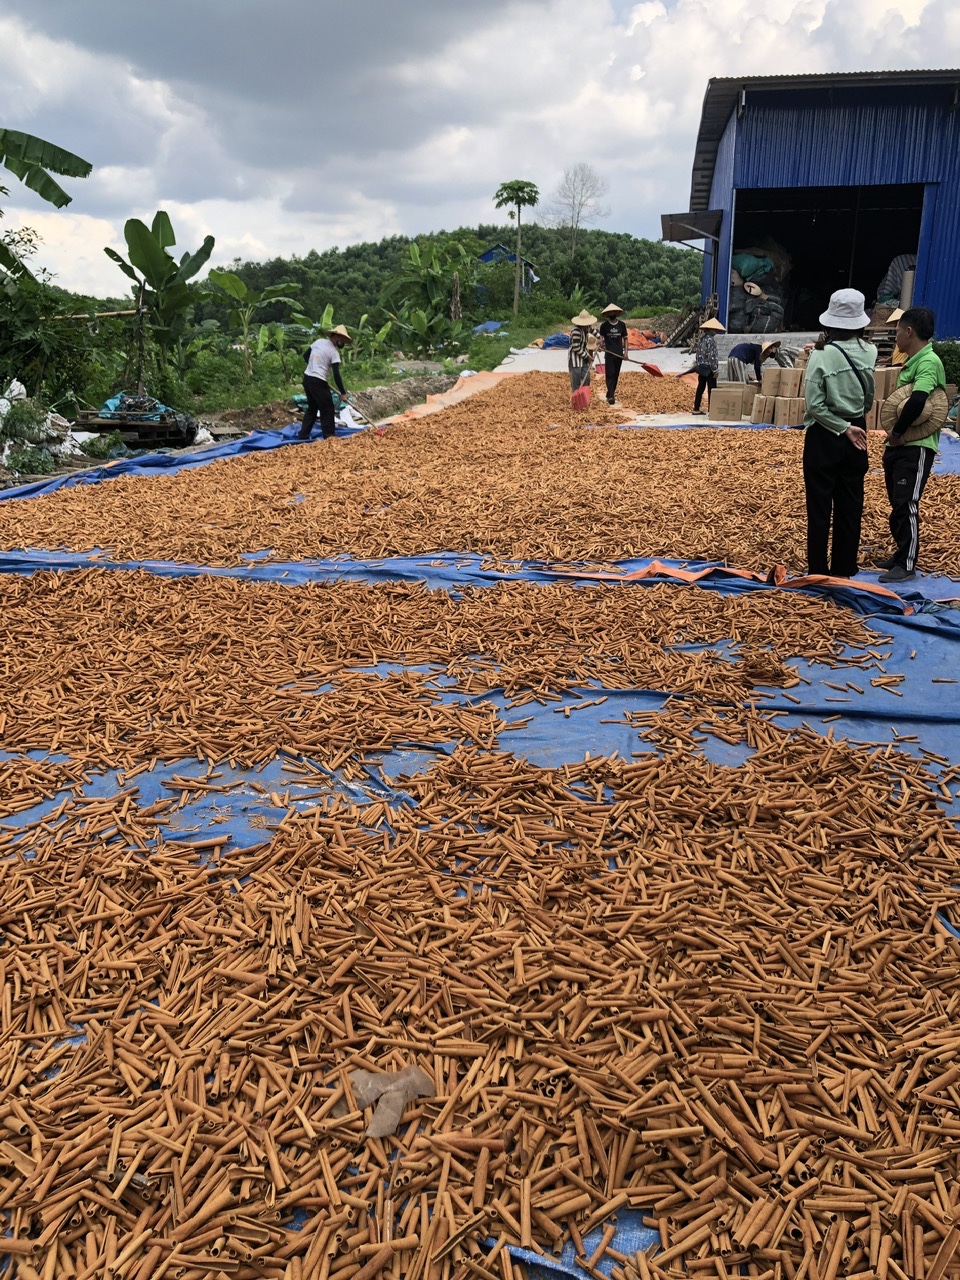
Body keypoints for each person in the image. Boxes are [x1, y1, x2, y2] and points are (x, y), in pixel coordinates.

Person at [801, 289, 877, 578]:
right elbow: (869, 397)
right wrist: (853, 422)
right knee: (851, 503)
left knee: (820, 506)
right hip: (859, 430)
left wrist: (841, 428)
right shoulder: (870, 352)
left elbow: (814, 404)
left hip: (824, 436)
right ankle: (845, 567)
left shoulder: (821, 355)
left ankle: (818, 568)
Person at [875, 306, 947, 583]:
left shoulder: (928, 361)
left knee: (907, 504)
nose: (895, 336)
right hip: (900, 446)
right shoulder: (914, 360)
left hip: (915, 445)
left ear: (909, 331)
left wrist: (898, 433)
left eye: (896, 331)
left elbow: (918, 400)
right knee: (897, 502)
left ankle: (906, 563)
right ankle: (899, 554)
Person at [298, 324, 352, 440]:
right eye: (342, 339)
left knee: (312, 408)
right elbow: (336, 375)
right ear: (337, 337)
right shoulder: (333, 353)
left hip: (307, 378)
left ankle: (303, 435)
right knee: (327, 408)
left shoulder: (318, 342)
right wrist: (343, 393)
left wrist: (314, 367)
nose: (342, 342)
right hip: (317, 381)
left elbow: (305, 356)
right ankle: (329, 436)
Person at [691, 317, 724, 414]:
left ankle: (696, 409)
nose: (716, 332)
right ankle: (712, 410)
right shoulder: (711, 341)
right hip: (709, 368)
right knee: (712, 389)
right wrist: (715, 370)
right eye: (715, 330)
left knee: (700, 387)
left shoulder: (701, 339)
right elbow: (712, 357)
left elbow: (698, 354)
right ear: (711, 330)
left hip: (701, 367)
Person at [599, 303, 628, 404]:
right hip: (609, 354)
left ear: (616, 313)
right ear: (607, 314)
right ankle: (611, 396)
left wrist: (626, 353)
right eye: (609, 312)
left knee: (616, 374)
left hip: (619, 353)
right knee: (610, 373)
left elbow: (625, 339)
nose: (612, 313)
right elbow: (601, 339)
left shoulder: (622, 325)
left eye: (613, 312)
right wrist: (600, 345)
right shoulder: (604, 326)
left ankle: (610, 392)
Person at [568, 310, 597, 393]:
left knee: (586, 378)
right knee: (576, 380)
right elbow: (576, 347)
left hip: (583, 355)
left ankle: (584, 394)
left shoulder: (587, 328)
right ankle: (576, 398)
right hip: (575, 358)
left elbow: (593, 331)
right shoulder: (576, 331)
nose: (586, 326)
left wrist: (600, 338)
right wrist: (587, 356)